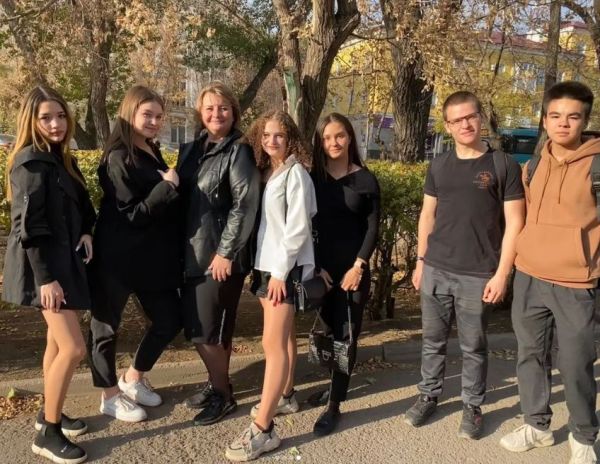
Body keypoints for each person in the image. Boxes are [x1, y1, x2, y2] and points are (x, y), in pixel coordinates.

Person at [405, 91, 525, 439]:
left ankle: (472, 406)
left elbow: (515, 223)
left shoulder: (503, 165)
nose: (465, 124)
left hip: (478, 273)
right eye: (457, 120)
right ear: (447, 126)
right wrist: (420, 262)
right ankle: (428, 395)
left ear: (480, 117)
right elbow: (427, 215)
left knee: (473, 346)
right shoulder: (439, 165)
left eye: (470, 116)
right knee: (432, 341)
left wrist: (502, 274)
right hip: (436, 268)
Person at [500, 81, 600, 464]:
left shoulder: (596, 165)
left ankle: (583, 437)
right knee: (530, 356)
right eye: (555, 116)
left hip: (577, 283)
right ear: (544, 120)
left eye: (572, 117)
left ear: (585, 121)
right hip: (529, 276)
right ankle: (537, 426)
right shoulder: (535, 164)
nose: (563, 123)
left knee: (575, 365)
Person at [3, 86, 96, 464]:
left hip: (62, 262)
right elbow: (29, 227)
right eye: (46, 118)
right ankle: (48, 433)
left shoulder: (59, 159)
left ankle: (49, 412)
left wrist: (87, 230)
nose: (56, 124)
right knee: (74, 348)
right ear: (32, 121)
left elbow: (83, 204)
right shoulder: (31, 164)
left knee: (56, 344)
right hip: (44, 268)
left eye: (60, 116)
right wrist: (46, 279)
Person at [225, 110, 317, 461]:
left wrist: (280, 272)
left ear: (290, 137)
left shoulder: (296, 174)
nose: (271, 141)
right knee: (286, 337)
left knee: (272, 344)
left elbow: (298, 229)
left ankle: (263, 429)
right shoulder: (269, 171)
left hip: (282, 269)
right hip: (267, 266)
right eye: (265, 135)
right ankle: (286, 396)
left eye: (278, 135)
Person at [87, 85, 182, 422]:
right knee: (105, 328)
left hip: (149, 260)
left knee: (170, 319)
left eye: (159, 116)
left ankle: (133, 378)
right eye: (147, 115)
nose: (154, 121)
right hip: (116, 259)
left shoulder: (150, 150)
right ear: (129, 113)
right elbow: (132, 214)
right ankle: (109, 395)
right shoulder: (118, 157)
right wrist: (167, 187)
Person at [177, 82, 260, 425]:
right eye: (209, 108)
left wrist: (226, 252)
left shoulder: (239, 150)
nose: (216, 114)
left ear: (234, 112)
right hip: (190, 252)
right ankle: (217, 384)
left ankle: (224, 396)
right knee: (214, 330)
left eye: (223, 107)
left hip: (219, 257)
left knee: (205, 331)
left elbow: (245, 204)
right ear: (200, 113)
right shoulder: (190, 150)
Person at [308, 112, 380, 436]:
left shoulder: (365, 180)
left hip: (353, 272)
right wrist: (315, 266)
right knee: (325, 334)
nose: (333, 142)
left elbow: (372, 228)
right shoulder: (313, 179)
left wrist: (359, 266)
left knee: (345, 337)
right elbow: (306, 226)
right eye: (327, 138)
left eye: (339, 135)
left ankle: (334, 405)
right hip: (321, 272)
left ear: (350, 137)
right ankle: (333, 386)